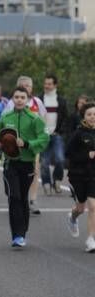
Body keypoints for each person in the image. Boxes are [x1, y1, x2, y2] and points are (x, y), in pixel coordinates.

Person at [0, 86, 49, 248]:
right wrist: (1, 144)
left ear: (27, 99)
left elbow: (44, 139)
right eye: (16, 97)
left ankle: (22, 231)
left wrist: (27, 143)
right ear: (13, 99)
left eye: (22, 97)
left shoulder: (35, 119)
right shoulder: (5, 117)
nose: (19, 100)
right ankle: (17, 235)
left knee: (23, 198)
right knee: (14, 197)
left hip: (27, 164)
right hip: (10, 163)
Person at [65, 102, 95, 252]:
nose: (92, 117)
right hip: (78, 175)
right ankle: (72, 216)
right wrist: (86, 156)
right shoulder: (79, 133)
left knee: (93, 207)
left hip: (93, 175)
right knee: (81, 208)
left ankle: (90, 239)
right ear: (84, 116)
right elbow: (67, 153)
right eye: (89, 114)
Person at [39, 74, 69, 195]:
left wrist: (60, 131)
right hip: (43, 135)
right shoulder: (39, 99)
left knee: (60, 159)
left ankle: (57, 180)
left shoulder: (61, 101)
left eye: (49, 84)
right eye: (45, 83)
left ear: (55, 85)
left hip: (57, 135)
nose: (47, 86)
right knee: (45, 162)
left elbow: (65, 118)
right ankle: (46, 183)